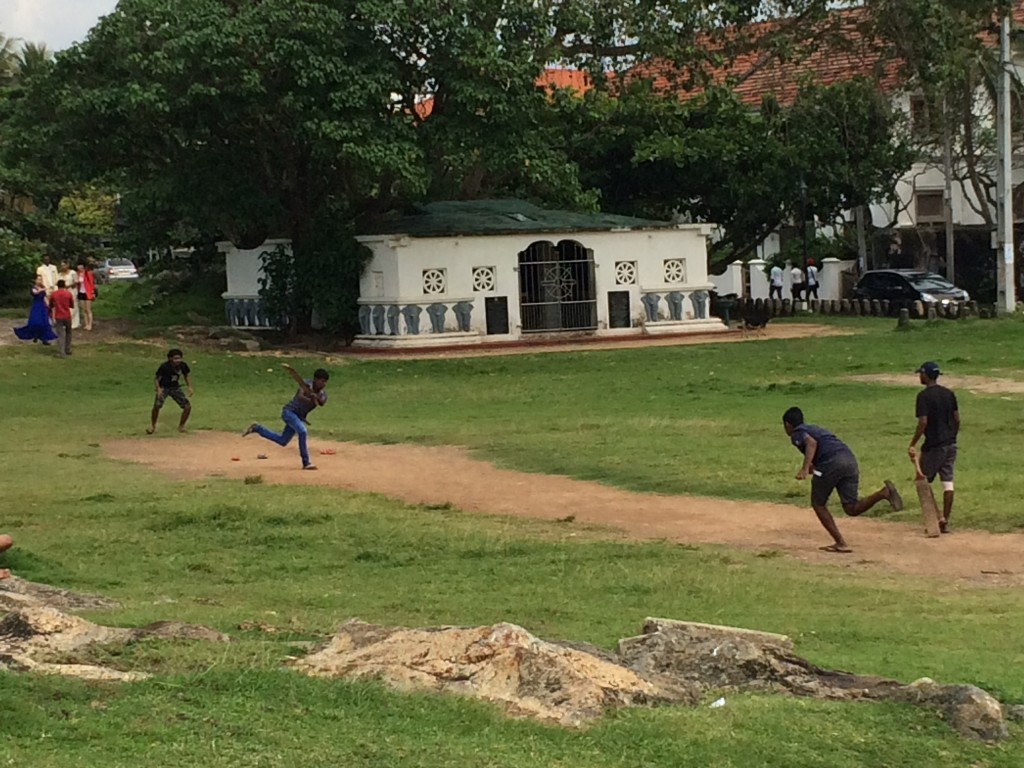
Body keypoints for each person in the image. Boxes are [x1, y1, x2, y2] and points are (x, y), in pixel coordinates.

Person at [783, 406, 903, 553]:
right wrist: (812, 466)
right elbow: (821, 446)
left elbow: (811, 443)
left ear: (788, 425)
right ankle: (883, 493)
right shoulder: (814, 428)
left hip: (831, 463)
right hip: (849, 459)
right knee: (851, 508)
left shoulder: (797, 433)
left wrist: (804, 467)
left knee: (818, 503)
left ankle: (840, 542)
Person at [243, 364, 329, 470]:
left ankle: (257, 428)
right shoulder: (306, 385)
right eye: (321, 381)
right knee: (302, 431)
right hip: (289, 413)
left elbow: (321, 403)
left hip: (298, 417)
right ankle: (306, 462)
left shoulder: (322, 394)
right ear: (315, 379)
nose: (323, 384)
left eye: (325, 382)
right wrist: (309, 397)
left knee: (283, 441)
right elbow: (300, 396)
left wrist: (314, 397)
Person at [908, 361, 959, 534]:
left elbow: (923, 422)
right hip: (950, 444)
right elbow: (957, 419)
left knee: (924, 481)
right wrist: (952, 436)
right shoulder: (949, 394)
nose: (919, 377)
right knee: (948, 482)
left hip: (934, 445)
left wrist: (913, 443)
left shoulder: (923, 396)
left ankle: (936, 518)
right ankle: (946, 519)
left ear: (926, 375)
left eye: (920, 374)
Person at [148, 348, 194, 434]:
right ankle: (152, 426)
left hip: (175, 387)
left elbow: (186, 375)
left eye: (179, 358)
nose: (178, 360)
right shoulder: (164, 366)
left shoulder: (183, 365)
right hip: (163, 387)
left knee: (187, 406)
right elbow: (156, 379)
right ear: (170, 359)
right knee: (157, 406)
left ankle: (181, 426)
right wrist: (158, 389)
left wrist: (190, 386)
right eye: (175, 358)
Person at [13, 276, 58, 345]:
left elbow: (44, 297)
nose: (39, 281)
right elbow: (35, 293)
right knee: (35, 322)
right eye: (38, 279)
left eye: (41, 280)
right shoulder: (34, 288)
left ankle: (44, 339)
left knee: (44, 323)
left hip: (42, 306)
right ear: (35, 280)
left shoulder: (43, 288)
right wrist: (43, 289)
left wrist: (48, 304)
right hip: (36, 306)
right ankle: (35, 335)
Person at [48, 279, 75, 358]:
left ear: (57, 286)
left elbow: (51, 305)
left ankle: (61, 352)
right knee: (68, 332)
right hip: (67, 315)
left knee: (60, 334)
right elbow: (71, 305)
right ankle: (68, 349)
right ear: (64, 285)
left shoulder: (54, 294)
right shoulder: (68, 294)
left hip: (58, 316)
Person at [57, 260, 81, 329]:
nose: (63, 267)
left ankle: (74, 322)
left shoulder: (72, 273)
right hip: (63, 293)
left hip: (72, 291)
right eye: (62, 265)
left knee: (73, 307)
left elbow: (76, 282)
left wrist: (69, 285)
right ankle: (65, 322)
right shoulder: (59, 274)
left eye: (64, 265)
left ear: (67, 265)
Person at [76, 262, 97, 331]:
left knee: (88, 309)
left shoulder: (87, 273)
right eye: (79, 266)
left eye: (81, 266)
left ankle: (90, 324)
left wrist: (93, 292)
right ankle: (86, 324)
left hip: (87, 292)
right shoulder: (78, 274)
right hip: (81, 292)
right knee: (84, 310)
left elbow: (92, 283)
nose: (80, 268)